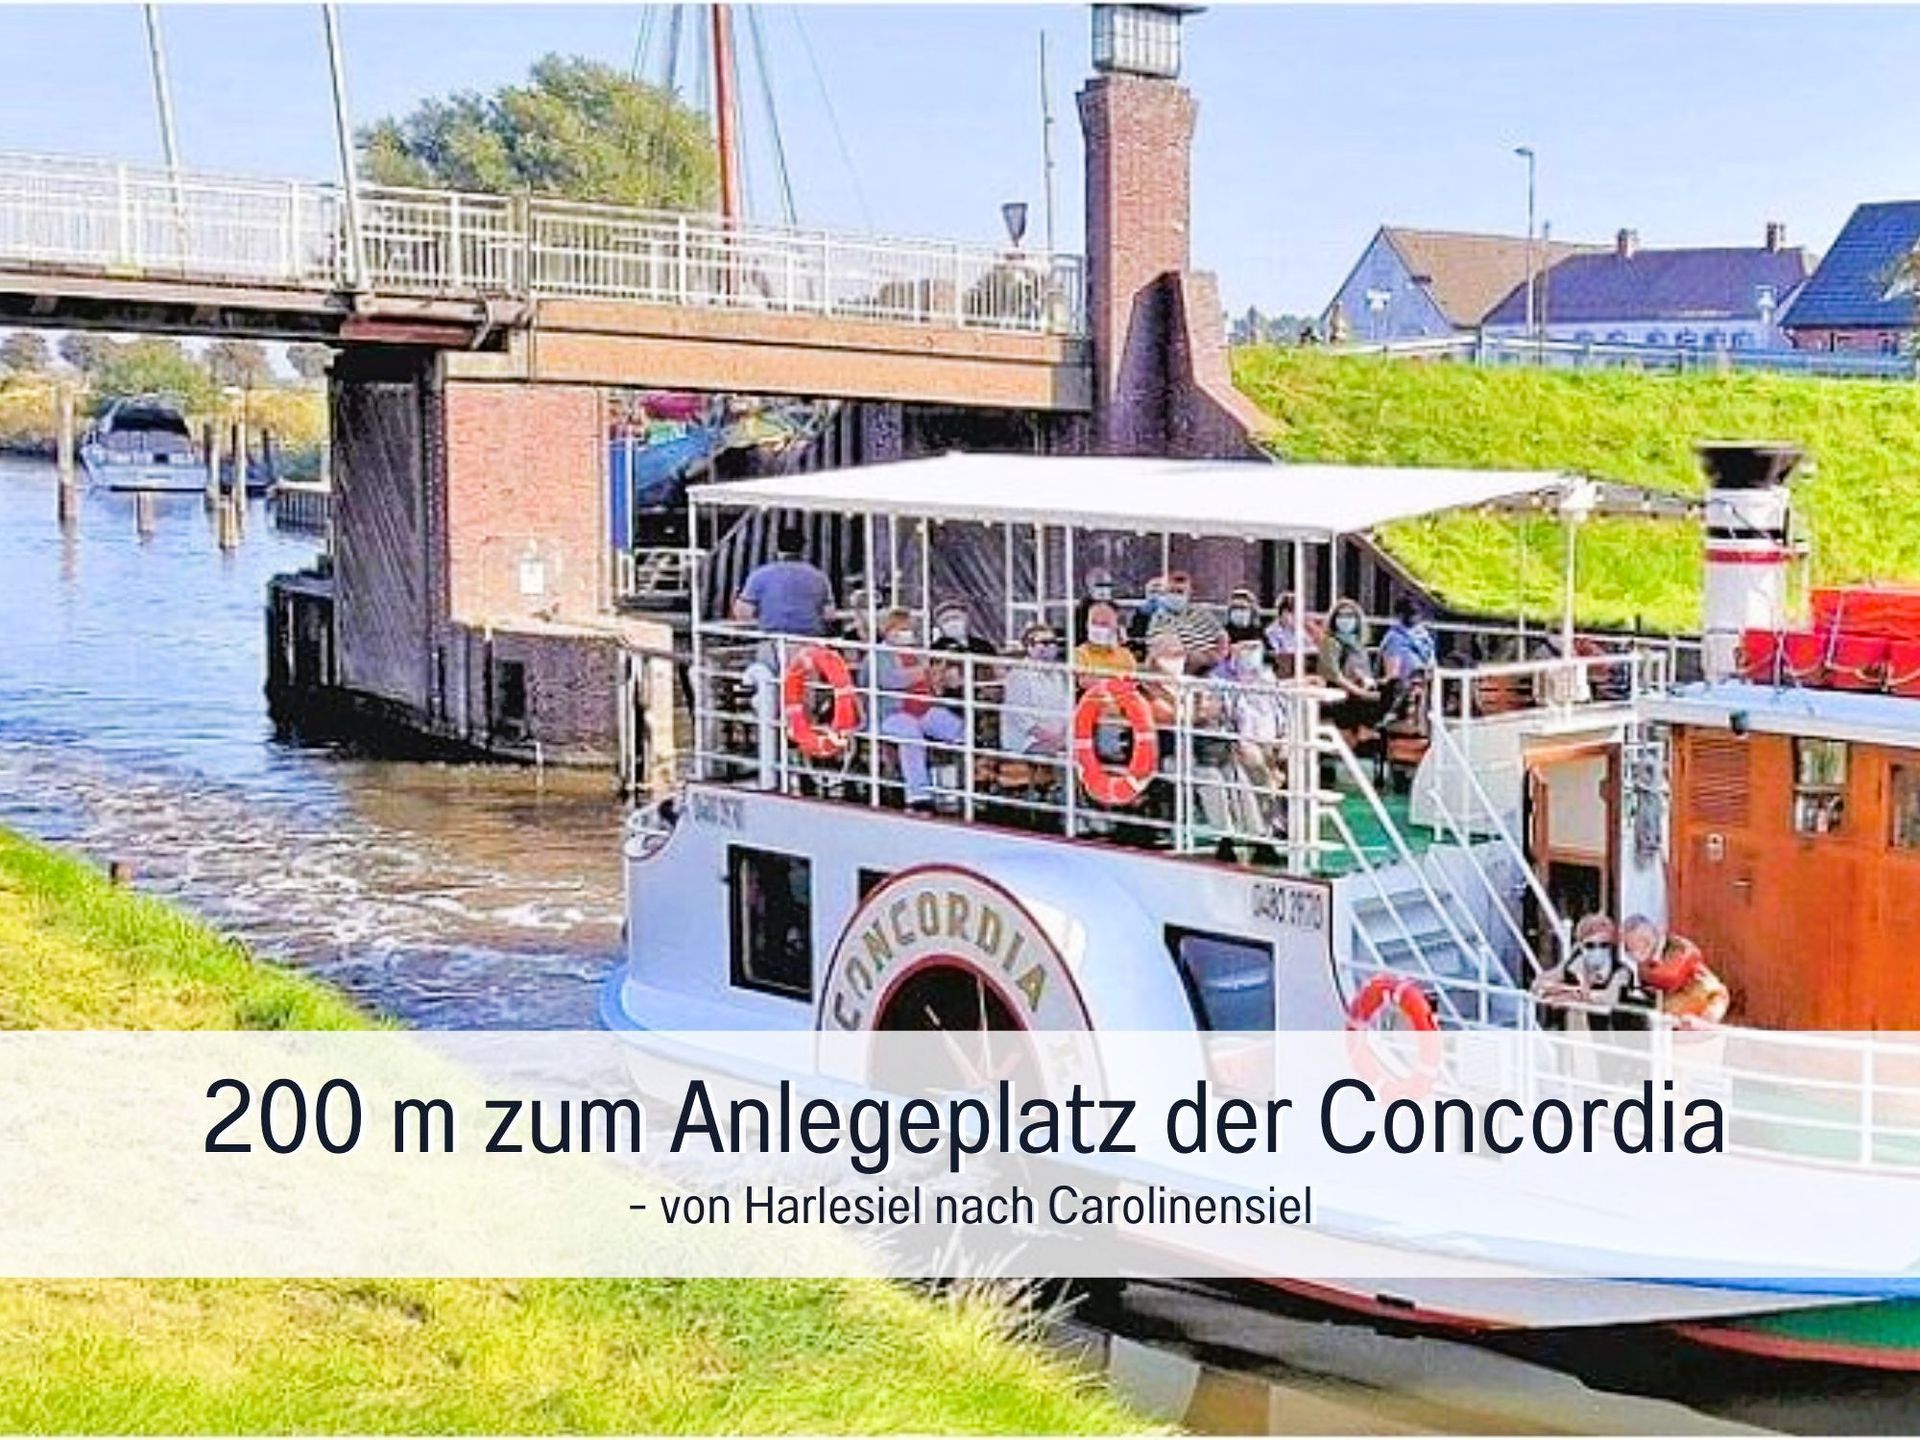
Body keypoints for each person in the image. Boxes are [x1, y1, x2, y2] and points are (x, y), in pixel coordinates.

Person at [733, 524, 835, 789]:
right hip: (808, 647)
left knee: (772, 704)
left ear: (777, 547)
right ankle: (807, 770)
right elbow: (829, 614)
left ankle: (775, 767)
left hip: (774, 645)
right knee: (806, 708)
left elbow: (742, 613)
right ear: (803, 547)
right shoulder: (818, 577)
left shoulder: (761, 576)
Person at [866, 608, 967, 814]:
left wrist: (943, 678)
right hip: (891, 713)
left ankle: (966, 791)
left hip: (924, 709)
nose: (907, 633)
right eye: (901, 629)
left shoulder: (918, 653)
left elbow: (934, 684)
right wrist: (925, 671)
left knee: (959, 729)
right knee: (910, 734)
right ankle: (918, 797)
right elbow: (890, 680)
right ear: (888, 630)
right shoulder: (877, 654)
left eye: (908, 628)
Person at [1621, 915, 1730, 1028]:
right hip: (1677, 1019)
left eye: (1642, 940)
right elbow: (1652, 995)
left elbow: (1673, 976)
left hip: (1708, 1000)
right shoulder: (1644, 966)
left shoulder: (1680, 947)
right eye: (1630, 946)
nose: (1638, 947)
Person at [1000, 623, 1072, 760]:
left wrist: (1063, 737)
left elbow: (1068, 709)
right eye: (1043, 643)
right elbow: (1022, 720)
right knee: (1063, 756)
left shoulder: (1060, 674)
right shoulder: (1018, 675)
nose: (1049, 647)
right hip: (1027, 741)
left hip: (1060, 738)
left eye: (1052, 642)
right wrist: (1052, 740)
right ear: (1029, 646)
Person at [1318, 597, 1388, 733]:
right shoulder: (1330, 643)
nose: (1345, 620)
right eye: (1341, 616)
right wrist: (1362, 693)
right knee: (1369, 706)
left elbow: (1364, 674)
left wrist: (1367, 684)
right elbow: (1335, 677)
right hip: (1340, 695)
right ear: (1334, 620)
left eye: (1350, 616)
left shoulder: (1359, 646)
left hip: (1357, 691)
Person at [1146, 571, 1229, 672]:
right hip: (1182, 668)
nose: (1175, 596)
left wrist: (1219, 655)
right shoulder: (1160, 618)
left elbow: (1221, 635)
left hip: (1214, 665)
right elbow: (1168, 650)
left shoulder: (1201, 613)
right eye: (1172, 591)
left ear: (1188, 594)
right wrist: (1196, 657)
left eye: (1180, 592)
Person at [1264, 592, 1320, 681]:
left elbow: (1312, 647)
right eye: (1288, 612)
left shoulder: (1302, 629)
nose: (1291, 616)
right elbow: (1277, 652)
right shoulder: (1271, 631)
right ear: (1281, 613)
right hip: (1283, 670)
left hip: (1303, 667)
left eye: (1295, 613)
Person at [1075, 602, 1136, 679]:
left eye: (1104, 624)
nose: (1098, 628)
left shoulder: (1126, 655)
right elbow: (1084, 681)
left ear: (1116, 626)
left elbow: (1133, 681)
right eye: (1093, 623)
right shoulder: (1079, 654)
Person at [1074, 567, 1120, 642]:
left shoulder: (1114, 607)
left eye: (1107, 586)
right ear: (1089, 589)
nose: (1103, 591)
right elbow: (1079, 636)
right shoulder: (1083, 608)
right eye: (1098, 586)